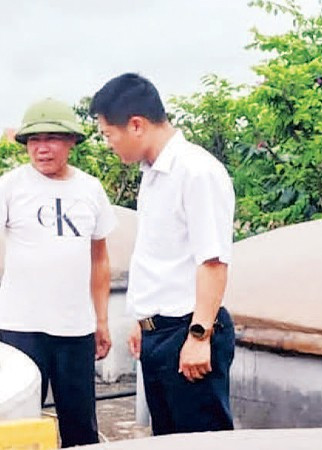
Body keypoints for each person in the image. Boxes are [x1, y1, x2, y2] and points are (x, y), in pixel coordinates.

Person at [0, 98, 117, 447]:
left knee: (80, 424)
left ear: (71, 142)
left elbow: (99, 260)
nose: (42, 148)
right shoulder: (10, 185)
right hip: (21, 326)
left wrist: (101, 320)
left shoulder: (90, 189)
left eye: (52, 138)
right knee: (20, 422)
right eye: (34, 140)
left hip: (75, 327)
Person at [90, 73, 236, 436]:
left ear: (136, 124)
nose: (109, 144)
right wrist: (144, 319)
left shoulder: (197, 171)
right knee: (168, 440)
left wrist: (199, 337)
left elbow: (213, 261)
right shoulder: (153, 174)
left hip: (188, 330)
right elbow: (159, 252)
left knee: (201, 442)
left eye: (109, 134)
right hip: (160, 333)